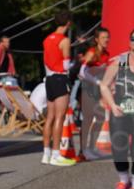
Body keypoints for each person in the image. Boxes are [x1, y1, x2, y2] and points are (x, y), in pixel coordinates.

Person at [99, 27, 134, 189]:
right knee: (118, 149)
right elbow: (104, 85)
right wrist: (112, 105)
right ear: (129, 42)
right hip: (120, 111)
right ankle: (123, 180)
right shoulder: (120, 62)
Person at [40, 10, 77, 166]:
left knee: (50, 117)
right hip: (60, 78)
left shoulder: (47, 39)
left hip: (49, 79)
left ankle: (46, 154)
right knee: (60, 117)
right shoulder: (65, 40)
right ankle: (56, 154)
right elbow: (66, 65)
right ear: (68, 23)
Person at [79, 27, 112, 160]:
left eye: (107, 37)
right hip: (87, 89)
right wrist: (98, 82)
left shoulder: (106, 54)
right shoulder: (92, 52)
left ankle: (92, 148)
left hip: (97, 90)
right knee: (87, 120)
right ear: (97, 39)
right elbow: (82, 72)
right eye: (103, 37)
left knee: (100, 118)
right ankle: (83, 151)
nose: (106, 40)